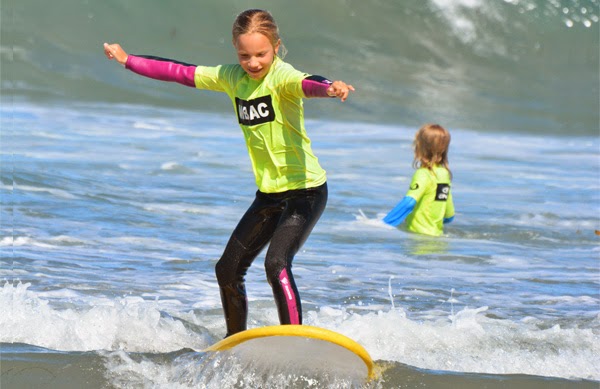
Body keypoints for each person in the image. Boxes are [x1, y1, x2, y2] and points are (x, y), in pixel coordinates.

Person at [103, 9, 354, 337]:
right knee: (228, 269)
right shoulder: (231, 77)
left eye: (261, 54)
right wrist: (127, 60)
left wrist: (330, 88)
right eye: (244, 55)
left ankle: (296, 341)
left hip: (306, 192)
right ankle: (234, 342)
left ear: (276, 47)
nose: (253, 63)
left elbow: (307, 83)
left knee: (276, 263)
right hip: (269, 194)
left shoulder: (282, 77)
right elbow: (180, 71)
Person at [383, 124, 454, 236]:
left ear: (420, 147)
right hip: (437, 238)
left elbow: (409, 202)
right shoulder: (443, 174)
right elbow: (449, 215)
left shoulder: (423, 174)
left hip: (419, 239)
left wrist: (384, 223)